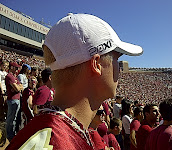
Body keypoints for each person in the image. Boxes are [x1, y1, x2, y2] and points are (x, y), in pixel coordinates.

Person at [6, 13, 143, 149]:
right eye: (116, 60)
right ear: (96, 65)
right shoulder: (57, 141)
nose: (119, 70)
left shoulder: (56, 132)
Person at [5, 62, 23, 141]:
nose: (17, 70)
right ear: (11, 67)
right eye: (16, 68)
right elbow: (17, 88)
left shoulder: (14, 77)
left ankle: (11, 133)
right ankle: (9, 135)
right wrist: (17, 87)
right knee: (11, 119)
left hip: (16, 99)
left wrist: (17, 87)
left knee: (14, 118)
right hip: (12, 100)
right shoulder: (9, 76)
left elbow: (21, 87)